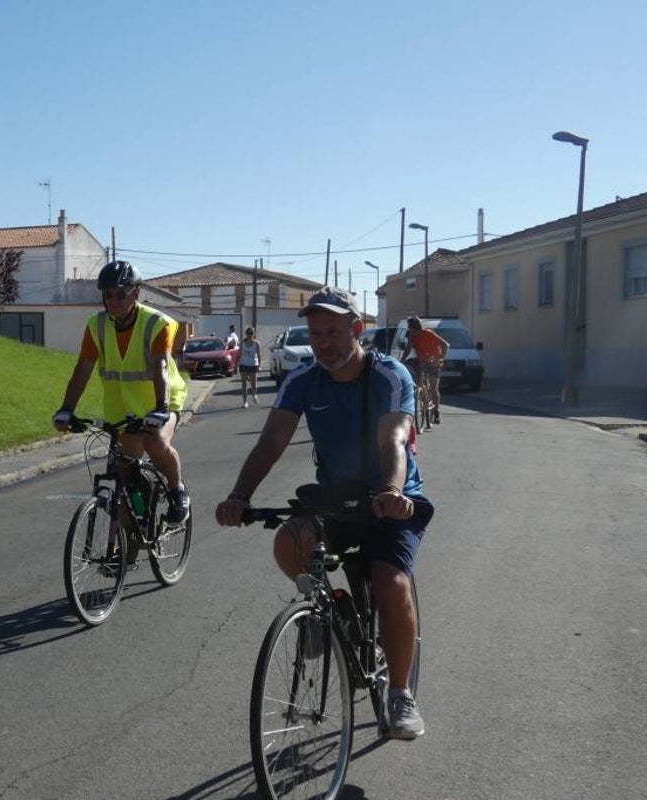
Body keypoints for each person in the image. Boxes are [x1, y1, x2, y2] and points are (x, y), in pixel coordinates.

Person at [214, 287, 433, 739]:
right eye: (315, 334)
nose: (323, 343)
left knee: (390, 584)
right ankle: (325, 611)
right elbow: (271, 442)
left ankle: (399, 695)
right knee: (288, 541)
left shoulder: (390, 376)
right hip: (335, 497)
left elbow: (394, 438)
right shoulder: (303, 380)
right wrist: (239, 495)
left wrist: (392, 490)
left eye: (333, 332)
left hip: (391, 499)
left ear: (356, 329)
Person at [53, 260, 191, 523]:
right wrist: (67, 409)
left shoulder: (156, 324)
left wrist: (161, 407)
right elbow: (83, 369)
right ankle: (122, 549)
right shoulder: (97, 326)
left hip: (162, 403)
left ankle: (176, 490)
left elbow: (160, 365)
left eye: (120, 294)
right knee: (123, 479)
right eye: (108, 295)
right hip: (123, 412)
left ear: (136, 293)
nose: (114, 301)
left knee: (154, 441)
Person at [404, 315, 450, 423]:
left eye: (410, 327)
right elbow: (408, 348)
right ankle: (424, 407)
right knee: (420, 386)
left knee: (433, 389)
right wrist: (402, 360)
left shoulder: (428, 333)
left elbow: (446, 345)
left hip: (434, 364)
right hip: (422, 363)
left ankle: (437, 411)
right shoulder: (412, 336)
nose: (409, 330)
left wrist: (440, 358)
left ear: (416, 327)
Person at [238, 326, 262, 409]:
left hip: (253, 364)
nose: (250, 335)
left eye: (251, 333)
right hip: (244, 364)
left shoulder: (257, 343)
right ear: (246, 334)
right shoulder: (242, 343)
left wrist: (259, 366)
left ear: (253, 334)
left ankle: (254, 394)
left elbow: (259, 355)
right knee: (244, 384)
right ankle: (245, 402)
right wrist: (237, 364)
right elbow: (239, 354)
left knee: (253, 384)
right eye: (248, 333)